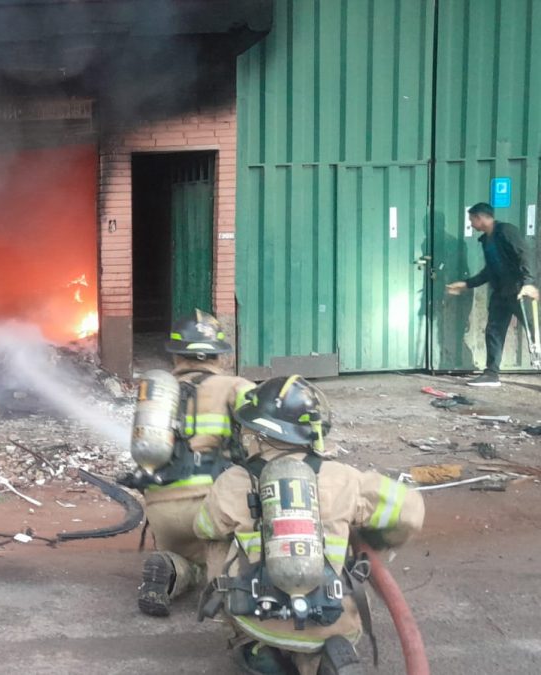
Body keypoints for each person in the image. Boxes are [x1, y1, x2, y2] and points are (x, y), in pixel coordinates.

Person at [194, 376, 424, 675]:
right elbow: (411, 511)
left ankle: (256, 647)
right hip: (332, 617)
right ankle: (322, 659)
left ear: (256, 432)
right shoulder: (344, 478)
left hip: (258, 618)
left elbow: (203, 527)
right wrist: (374, 540)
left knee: (215, 539)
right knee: (339, 570)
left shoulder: (231, 482)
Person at [123, 310, 254, 617]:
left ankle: (169, 567)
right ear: (219, 356)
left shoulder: (158, 394)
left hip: (162, 509)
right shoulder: (237, 387)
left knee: (185, 558)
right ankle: (228, 585)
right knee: (227, 556)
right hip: (212, 506)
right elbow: (265, 442)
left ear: (176, 355)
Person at [447, 202, 539, 386]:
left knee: (535, 331)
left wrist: (528, 283)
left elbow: (525, 255)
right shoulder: (486, 240)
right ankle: (491, 374)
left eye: (471, 220)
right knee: (494, 331)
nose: (471, 224)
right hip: (501, 292)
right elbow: (489, 271)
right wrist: (466, 284)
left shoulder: (506, 231)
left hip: (520, 290)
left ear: (480, 217)